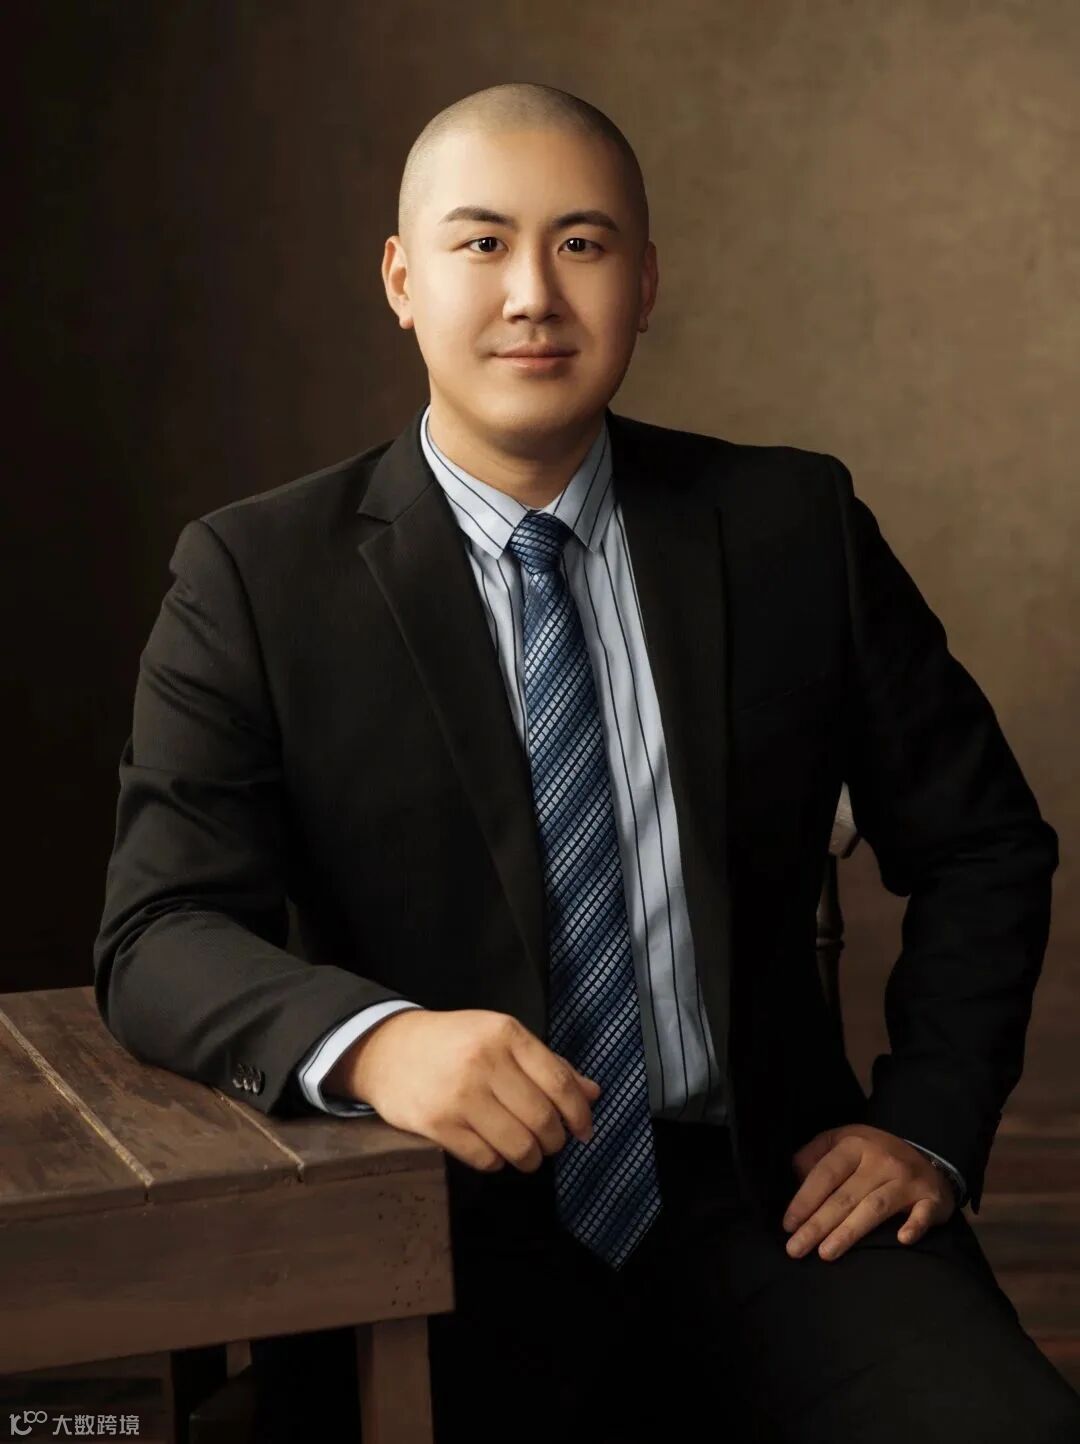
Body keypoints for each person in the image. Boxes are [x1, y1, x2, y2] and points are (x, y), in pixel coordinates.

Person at [93, 81, 1080, 1443]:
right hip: (421, 1220)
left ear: (646, 282)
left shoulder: (792, 526)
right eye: (482, 242)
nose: (533, 296)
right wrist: (379, 1046)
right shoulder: (255, 578)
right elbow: (157, 933)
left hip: (768, 1202)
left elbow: (985, 845)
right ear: (402, 280)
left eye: (582, 243)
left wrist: (926, 1124)